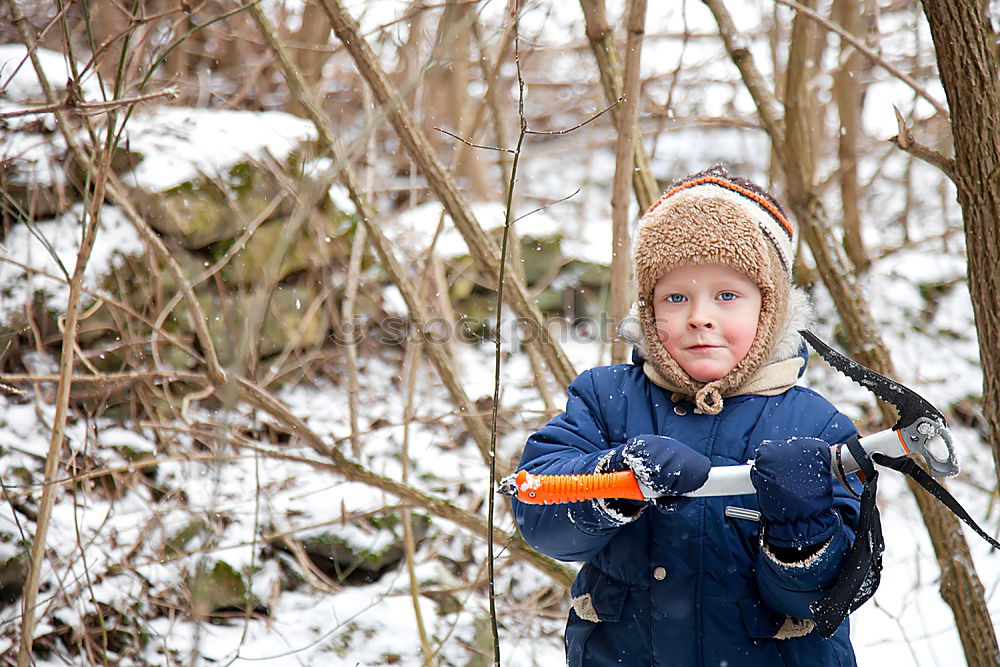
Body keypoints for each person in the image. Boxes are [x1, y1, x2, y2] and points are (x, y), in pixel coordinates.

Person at [511, 165, 862, 666]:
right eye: (676, 297)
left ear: (770, 308)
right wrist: (615, 477)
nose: (700, 316)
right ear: (649, 310)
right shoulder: (604, 400)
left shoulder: (817, 428)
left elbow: (827, 598)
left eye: (727, 296)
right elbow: (538, 507)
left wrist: (802, 531)